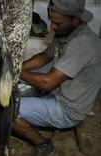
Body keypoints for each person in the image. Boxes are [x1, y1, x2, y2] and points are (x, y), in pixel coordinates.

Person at [12, 0, 101, 155]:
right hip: (56, 93)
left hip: (68, 109)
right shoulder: (65, 32)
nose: (52, 26)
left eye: (57, 23)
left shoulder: (82, 42)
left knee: (7, 109)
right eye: (51, 21)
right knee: (11, 92)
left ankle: (45, 146)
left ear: (76, 20)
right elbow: (43, 58)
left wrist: (11, 71)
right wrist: (17, 66)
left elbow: (47, 83)